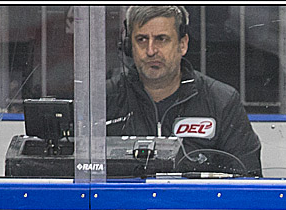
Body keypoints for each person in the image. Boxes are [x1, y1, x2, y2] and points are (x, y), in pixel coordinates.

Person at [107, 5, 262, 176]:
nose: (150, 51)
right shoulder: (103, 100)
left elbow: (248, 181)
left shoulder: (221, 101)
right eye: (142, 39)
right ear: (129, 46)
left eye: (161, 39)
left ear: (182, 44)